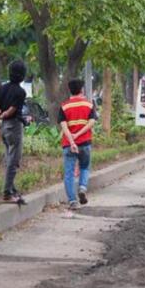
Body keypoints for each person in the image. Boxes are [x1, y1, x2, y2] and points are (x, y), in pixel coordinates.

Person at [0, 60, 29, 203]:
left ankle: (12, 189)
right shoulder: (20, 92)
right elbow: (11, 111)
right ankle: (7, 193)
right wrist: (4, 115)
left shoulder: (2, 88)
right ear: (23, 75)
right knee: (14, 161)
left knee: (9, 159)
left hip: (4, 128)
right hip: (14, 127)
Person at [59, 78, 98, 210]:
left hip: (69, 145)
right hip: (85, 143)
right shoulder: (89, 104)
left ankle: (72, 201)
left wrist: (71, 140)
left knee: (69, 173)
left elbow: (64, 127)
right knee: (85, 167)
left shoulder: (64, 106)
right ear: (81, 90)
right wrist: (79, 134)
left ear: (70, 90)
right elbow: (91, 122)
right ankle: (82, 187)